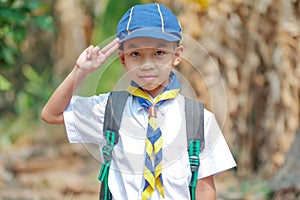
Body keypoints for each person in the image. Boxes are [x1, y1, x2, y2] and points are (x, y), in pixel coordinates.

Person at [41, 3, 236, 200]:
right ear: (123, 59)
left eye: (159, 53)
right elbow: (51, 114)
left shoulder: (198, 119)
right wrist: (80, 71)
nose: (147, 65)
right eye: (136, 54)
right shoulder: (108, 110)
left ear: (176, 56)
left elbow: (204, 189)